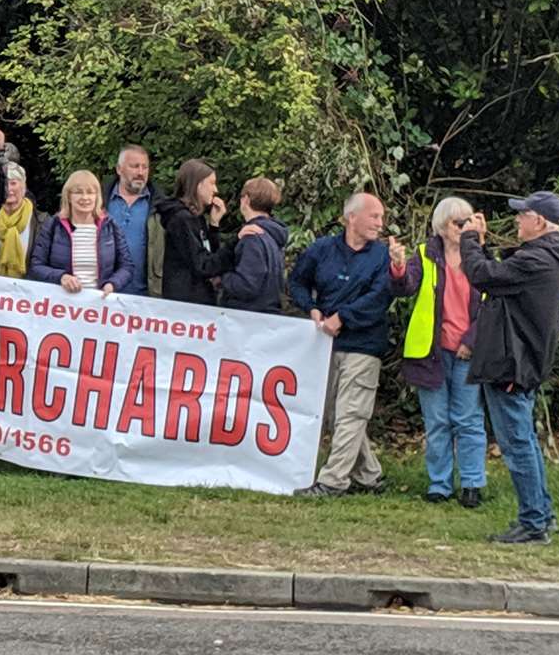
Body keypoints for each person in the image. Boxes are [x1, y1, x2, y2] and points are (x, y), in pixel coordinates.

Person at [460, 192, 559, 543]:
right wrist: (480, 245)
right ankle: (541, 514)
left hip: (513, 361)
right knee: (524, 440)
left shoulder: (538, 260)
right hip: (519, 360)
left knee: (517, 444)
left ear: (539, 221)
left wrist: (469, 240)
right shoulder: (546, 257)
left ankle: (533, 522)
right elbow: (499, 275)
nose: (516, 221)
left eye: (522, 215)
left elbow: (483, 275)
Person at [290, 192, 393, 498]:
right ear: (352, 217)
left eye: (381, 217)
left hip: (364, 343)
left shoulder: (382, 256)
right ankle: (370, 476)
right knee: (337, 414)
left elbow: (379, 297)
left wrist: (343, 317)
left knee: (351, 413)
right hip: (326, 345)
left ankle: (333, 482)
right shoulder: (322, 249)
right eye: (374, 216)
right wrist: (310, 307)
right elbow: (297, 280)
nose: (380, 223)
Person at [387, 197, 486, 507]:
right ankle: (439, 484)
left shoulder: (482, 259)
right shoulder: (423, 254)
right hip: (430, 352)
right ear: (442, 227)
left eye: (470, 221)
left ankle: (472, 484)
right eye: (460, 223)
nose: (465, 228)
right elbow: (405, 287)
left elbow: (491, 306)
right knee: (437, 422)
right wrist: (399, 266)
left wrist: (471, 341)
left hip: (468, 351)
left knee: (468, 420)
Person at [28, 170, 133, 295]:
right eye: (78, 192)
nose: (85, 198)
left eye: (90, 192)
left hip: (100, 305)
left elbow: (127, 267)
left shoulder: (110, 226)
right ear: (69, 196)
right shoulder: (53, 225)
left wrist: (112, 284)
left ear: (97, 196)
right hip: (60, 305)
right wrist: (61, 277)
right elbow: (36, 266)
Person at [153, 159, 240, 306]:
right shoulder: (182, 219)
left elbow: (209, 255)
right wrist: (236, 242)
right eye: (212, 183)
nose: (216, 190)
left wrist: (214, 225)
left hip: (197, 301)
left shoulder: (194, 217)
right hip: (186, 305)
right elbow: (203, 265)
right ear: (198, 185)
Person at [219, 178, 288, 313]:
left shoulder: (252, 237)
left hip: (247, 318)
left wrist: (222, 276)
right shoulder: (273, 235)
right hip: (267, 314)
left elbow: (246, 285)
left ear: (246, 200)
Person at [105, 145, 156, 296]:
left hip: (145, 298)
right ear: (119, 169)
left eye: (145, 167)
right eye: (134, 166)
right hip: (102, 295)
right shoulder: (99, 201)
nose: (141, 172)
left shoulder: (160, 207)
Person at [0, 163, 49, 279]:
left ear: (24, 187)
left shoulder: (43, 222)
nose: (8, 188)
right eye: (4, 183)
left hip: (28, 294)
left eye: (13, 183)